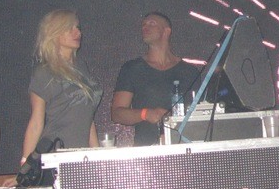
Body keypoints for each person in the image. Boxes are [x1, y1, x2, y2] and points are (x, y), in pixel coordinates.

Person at [21, 10, 102, 168]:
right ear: (54, 33)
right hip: (57, 153)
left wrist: (96, 154)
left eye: (77, 27)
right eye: (69, 28)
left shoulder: (81, 67)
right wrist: (25, 166)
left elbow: (87, 115)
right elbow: (36, 122)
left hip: (82, 156)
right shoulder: (45, 72)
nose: (77, 32)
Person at [111, 12, 200, 146]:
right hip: (147, 150)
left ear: (166, 31)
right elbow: (117, 114)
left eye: (152, 23)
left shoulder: (190, 71)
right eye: (143, 25)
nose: (145, 27)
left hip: (184, 148)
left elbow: (201, 114)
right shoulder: (132, 68)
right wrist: (146, 114)